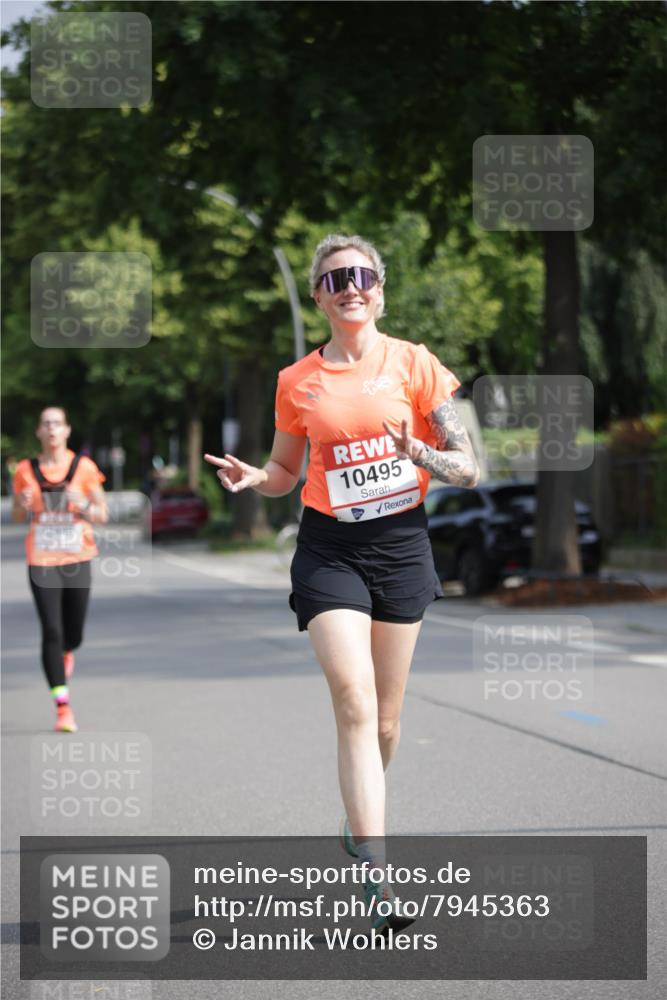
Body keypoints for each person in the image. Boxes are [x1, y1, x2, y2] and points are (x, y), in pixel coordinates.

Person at [205, 234, 479, 934]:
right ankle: (378, 872)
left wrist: (417, 452)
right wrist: (255, 478)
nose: (349, 286)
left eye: (360, 275)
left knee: (385, 721)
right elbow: (285, 472)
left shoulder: (415, 364)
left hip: (402, 546)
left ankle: (358, 823)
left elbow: (469, 466)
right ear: (319, 298)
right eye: (334, 279)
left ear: (379, 290)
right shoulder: (297, 380)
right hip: (330, 549)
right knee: (354, 701)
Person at [12, 407, 108, 733]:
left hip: (77, 556)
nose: (52, 429)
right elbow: (16, 516)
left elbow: (102, 514)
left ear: (67, 430)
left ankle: (67, 651)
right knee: (51, 630)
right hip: (41, 559)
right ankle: (63, 708)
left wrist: (83, 503)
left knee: (73, 633)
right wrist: (21, 504)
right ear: (39, 432)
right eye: (46, 424)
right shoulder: (25, 470)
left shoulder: (84, 467)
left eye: (57, 423)